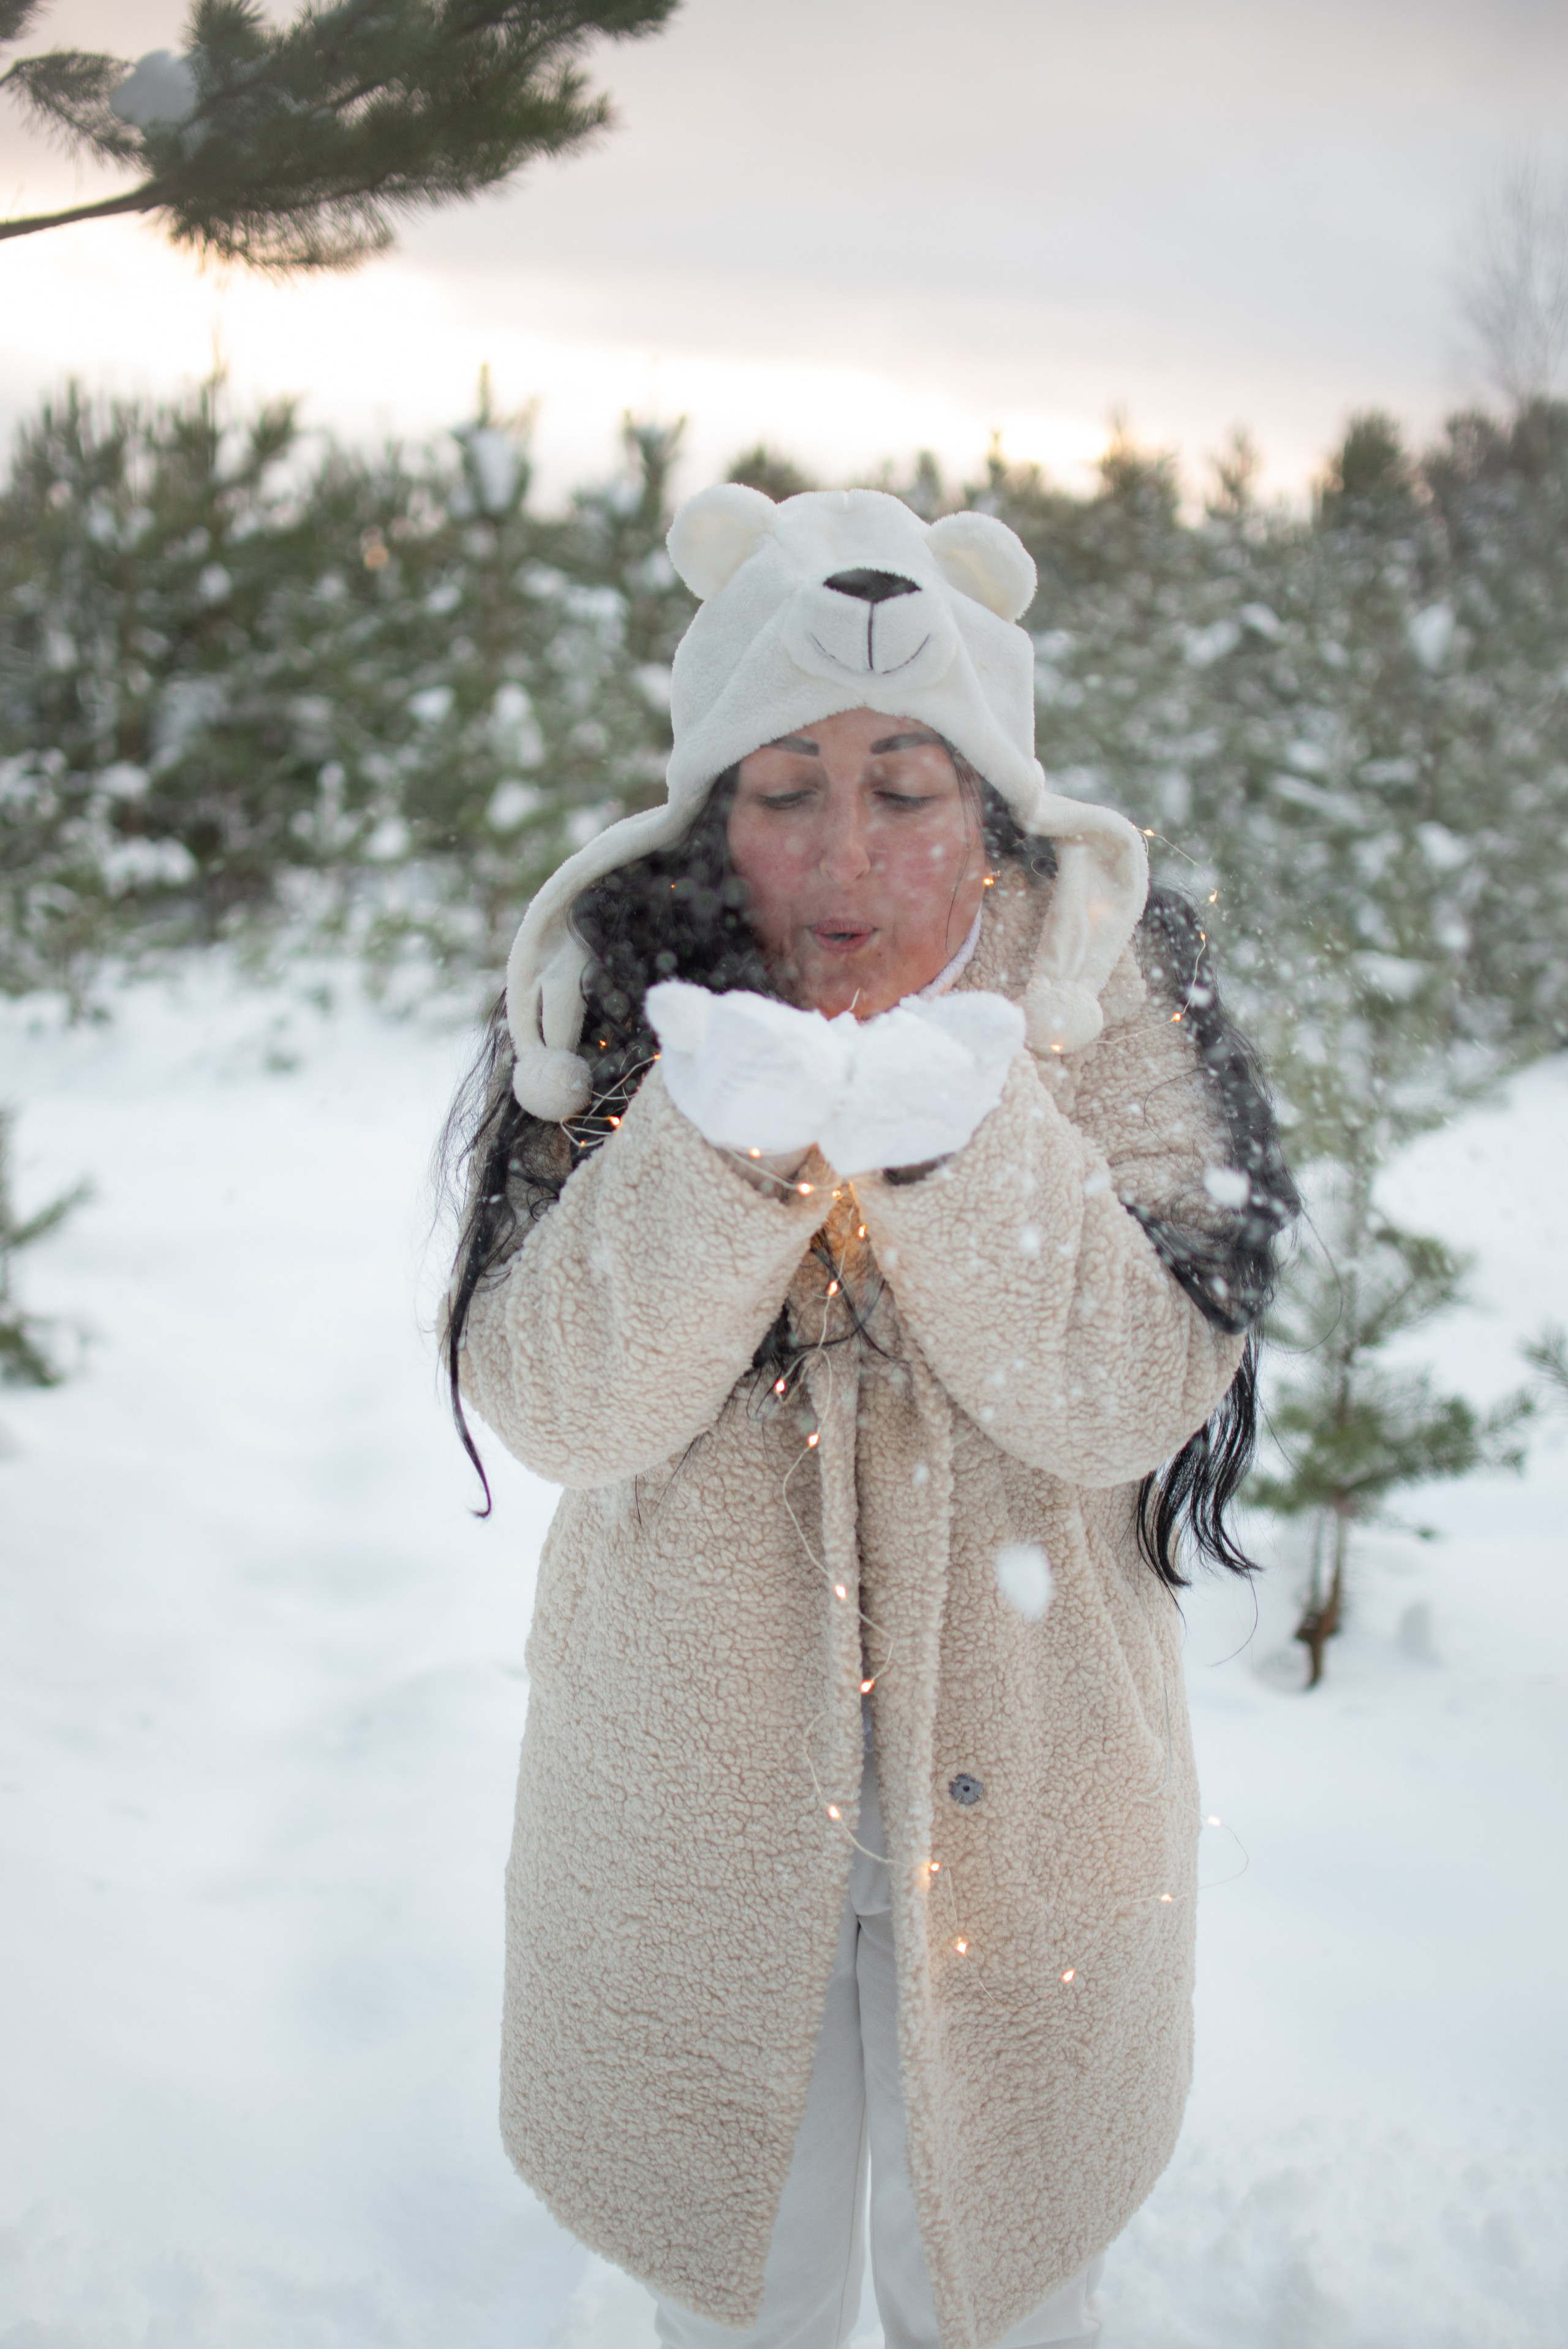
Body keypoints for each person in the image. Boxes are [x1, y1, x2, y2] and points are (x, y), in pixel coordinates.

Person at [441, 485, 1297, 2349]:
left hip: (1033, 1793)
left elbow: (1138, 1388)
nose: (845, 847)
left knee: (998, 2286)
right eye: (786, 783)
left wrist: (965, 1150)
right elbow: (557, 1399)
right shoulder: (615, 998)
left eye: (904, 786)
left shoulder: (1109, 988)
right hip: (691, 1785)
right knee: (740, 2295)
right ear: (709, 801)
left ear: (988, 803)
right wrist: (713, 1148)